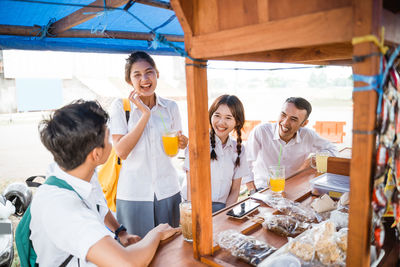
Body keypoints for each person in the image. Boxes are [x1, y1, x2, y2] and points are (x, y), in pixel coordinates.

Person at [31, 100, 180, 266]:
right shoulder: (61, 207)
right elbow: (127, 263)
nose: (112, 144)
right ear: (96, 154)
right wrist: (157, 233)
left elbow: (99, 205)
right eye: (109, 137)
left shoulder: (76, 171)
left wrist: (120, 232)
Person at [109, 51, 188, 238]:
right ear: (129, 81)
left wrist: (181, 143)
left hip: (167, 190)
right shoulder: (121, 107)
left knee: (169, 250)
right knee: (136, 251)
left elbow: (172, 152)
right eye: (137, 75)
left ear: (157, 74)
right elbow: (121, 151)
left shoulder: (171, 107)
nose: (144, 79)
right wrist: (145, 114)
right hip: (134, 194)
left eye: (149, 72)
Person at [244, 97, 338, 192]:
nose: (285, 123)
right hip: (264, 188)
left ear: (304, 123)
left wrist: (313, 159)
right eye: (283, 115)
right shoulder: (261, 131)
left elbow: (332, 150)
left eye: (293, 119)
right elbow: (245, 163)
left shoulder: (308, 135)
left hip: (294, 188)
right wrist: (252, 191)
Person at [181, 95, 250, 213]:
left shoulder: (238, 149)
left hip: (223, 207)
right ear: (210, 116)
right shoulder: (198, 143)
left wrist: (225, 214)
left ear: (237, 122)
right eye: (217, 115)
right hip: (194, 206)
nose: (221, 122)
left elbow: (235, 189)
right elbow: (190, 186)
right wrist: (193, 214)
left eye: (228, 118)